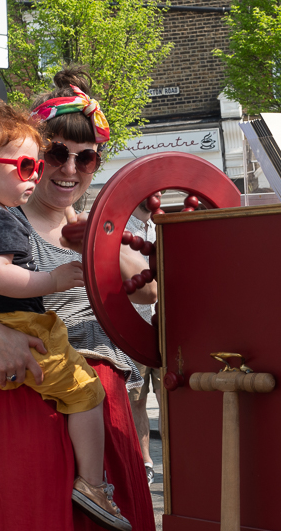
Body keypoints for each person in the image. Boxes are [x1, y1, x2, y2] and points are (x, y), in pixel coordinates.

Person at [0, 67, 157, 531]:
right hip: (27, 403)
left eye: (88, 159)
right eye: (56, 154)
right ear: (33, 158)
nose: (70, 170)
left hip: (102, 406)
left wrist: (103, 240)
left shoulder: (98, 227)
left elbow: (152, 290)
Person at [125, 200, 160, 485]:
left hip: (166, 329)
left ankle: (178, 464)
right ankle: (145, 462)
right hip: (135, 328)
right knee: (137, 401)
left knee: (172, 403)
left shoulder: (163, 228)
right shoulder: (123, 234)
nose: (157, 192)